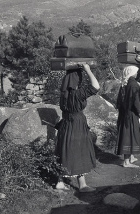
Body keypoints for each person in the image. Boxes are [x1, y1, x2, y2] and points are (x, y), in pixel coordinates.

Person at [55, 63, 100, 192]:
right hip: (77, 124)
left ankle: (59, 182)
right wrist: (88, 70)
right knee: (80, 151)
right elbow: (96, 87)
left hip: (66, 124)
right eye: (79, 78)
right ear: (76, 79)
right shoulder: (77, 94)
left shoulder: (64, 94)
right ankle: (82, 185)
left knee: (65, 150)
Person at [115, 65, 140, 168]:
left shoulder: (125, 83)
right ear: (132, 73)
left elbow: (120, 101)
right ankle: (126, 162)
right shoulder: (133, 85)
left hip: (124, 113)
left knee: (128, 135)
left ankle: (130, 157)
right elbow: (135, 101)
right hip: (131, 115)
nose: (137, 73)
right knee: (129, 136)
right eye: (136, 72)